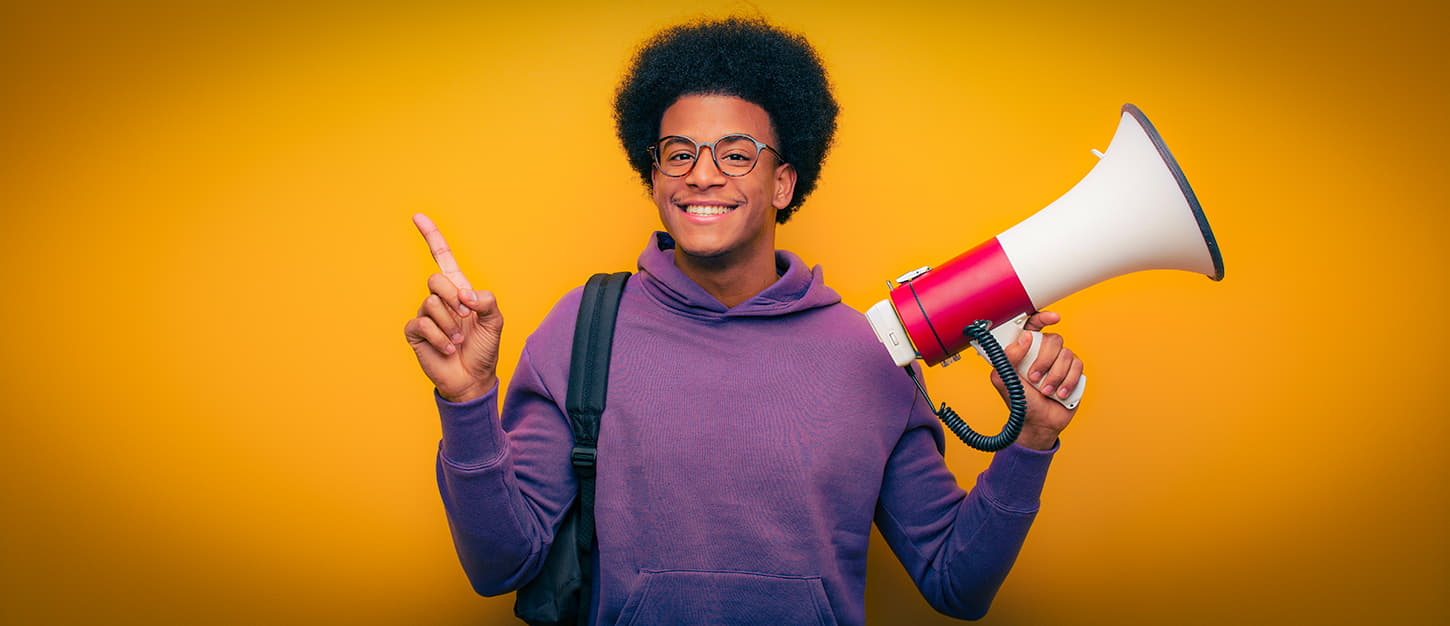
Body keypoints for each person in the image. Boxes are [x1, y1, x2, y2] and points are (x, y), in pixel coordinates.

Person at [403, 16, 1083, 625]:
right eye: (678, 153)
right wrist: (465, 402)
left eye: (735, 154)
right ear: (656, 177)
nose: (702, 174)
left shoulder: (870, 352)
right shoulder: (582, 330)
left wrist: (1033, 442)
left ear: (783, 183)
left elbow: (955, 583)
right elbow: (499, 566)